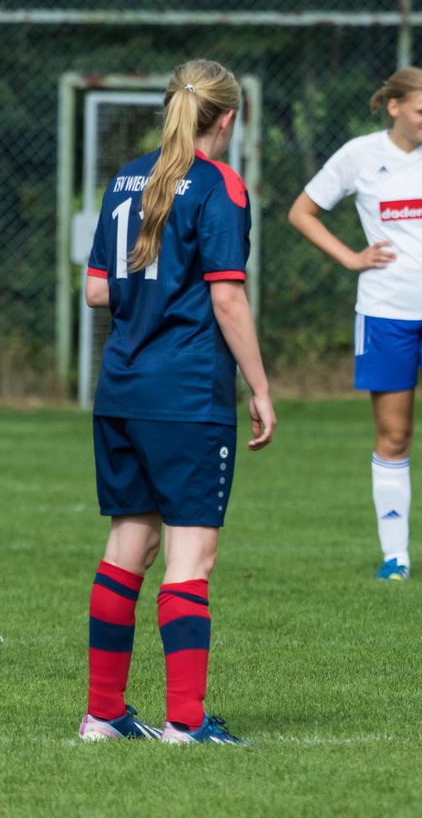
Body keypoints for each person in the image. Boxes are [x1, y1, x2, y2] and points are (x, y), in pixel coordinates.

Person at [79, 59, 275, 744]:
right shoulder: (222, 187)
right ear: (228, 118)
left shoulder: (127, 176)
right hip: (187, 394)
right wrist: (260, 386)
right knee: (192, 558)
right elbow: (226, 295)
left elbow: (97, 290)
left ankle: (102, 715)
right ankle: (185, 724)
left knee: (128, 543)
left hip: (122, 388)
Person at [289, 67, 422, 583]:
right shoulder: (360, 155)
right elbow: (302, 212)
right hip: (384, 315)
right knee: (394, 434)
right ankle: (395, 557)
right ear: (394, 107)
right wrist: (351, 258)